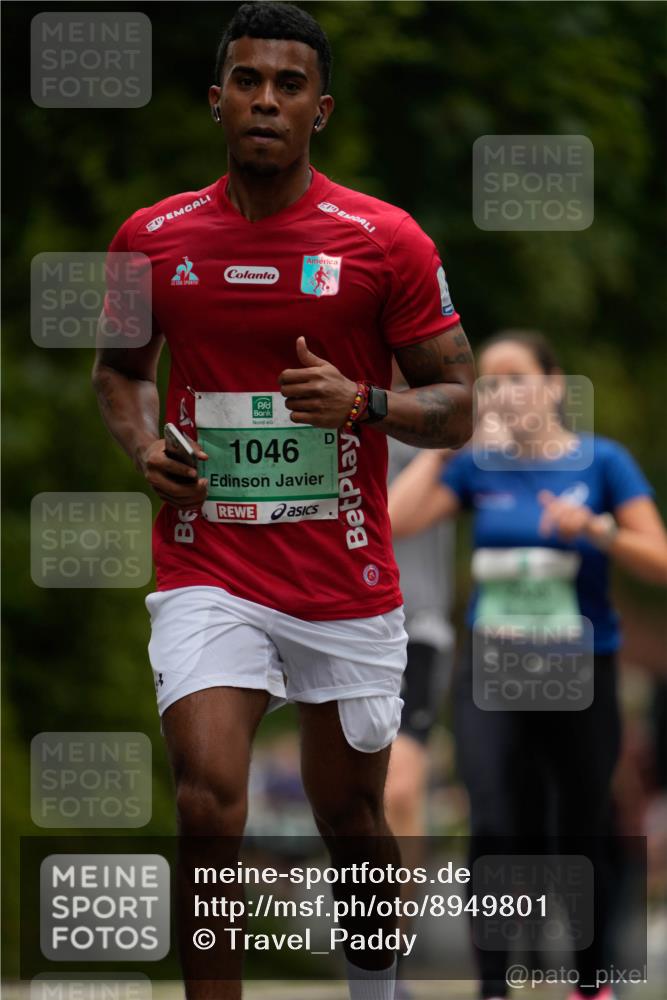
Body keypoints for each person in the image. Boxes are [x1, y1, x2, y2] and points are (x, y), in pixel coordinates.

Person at [92, 4, 474, 999]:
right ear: (215, 99)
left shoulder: (382, 241)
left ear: (322, 110)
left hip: (343, 576)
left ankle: (375, 986)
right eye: (248, 81)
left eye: (288, 85)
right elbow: (118, 371)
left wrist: (367, 403)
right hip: (206, 563)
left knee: (350, 816)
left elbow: (461, 405)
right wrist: (145, 444)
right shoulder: (150, 237)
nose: (266, 100)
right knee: (207, 800)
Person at [389, 330, 667, 1000]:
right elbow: (396, 521)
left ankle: (590, 981)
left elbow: (657, 560)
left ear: (551, 384)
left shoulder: (602, 462)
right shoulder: (475, 467)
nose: (500, 392)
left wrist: (596, 530)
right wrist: (453, 440)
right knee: (492, 820)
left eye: (513, 376)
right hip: (492, 669)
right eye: (486, 380)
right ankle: (493, 986)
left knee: (578, 823)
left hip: (579, 669)